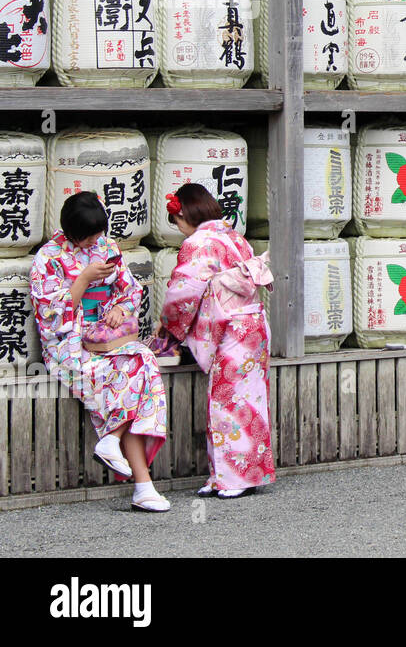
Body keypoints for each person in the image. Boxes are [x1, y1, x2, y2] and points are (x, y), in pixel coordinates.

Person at [30, 192, 170, 513]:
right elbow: (50, 315)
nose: (95, 240)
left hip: (105, 338)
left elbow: (130, 289)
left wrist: (120, 308)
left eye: (98, 233)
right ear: (72, 231)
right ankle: (142, 485)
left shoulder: (106, 247)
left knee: (144, 360)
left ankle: (113, 444)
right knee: (129, 384)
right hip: (69, 346)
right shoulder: (47, 259)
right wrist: (82, 279)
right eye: (89, 235)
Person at [158, 184, 275, 499]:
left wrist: (169, 325)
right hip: (254, 323)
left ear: (183, 214)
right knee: (250, 400)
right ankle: (237, 475)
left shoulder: (198, 243)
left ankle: (234, 478)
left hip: (231, 327)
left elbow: (183, 292)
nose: (179, 230)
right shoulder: (233, 236)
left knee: (227, 401)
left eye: (177, 222)